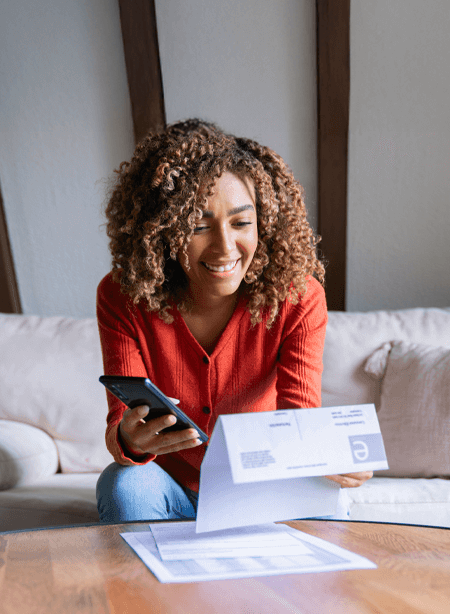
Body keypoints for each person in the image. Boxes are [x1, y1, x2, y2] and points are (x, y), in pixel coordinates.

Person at [96, 119, 371, 523]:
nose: (225, 247)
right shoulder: (122, 295)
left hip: (259, 488)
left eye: (241, 223)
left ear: (264, 223)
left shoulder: (298, 296)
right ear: (162, 230)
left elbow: (299, 415)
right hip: (167, 490)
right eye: (198, 226)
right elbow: (120, 429)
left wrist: (323, 456)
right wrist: (130, 439)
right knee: (123, 485)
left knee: (329, 502)